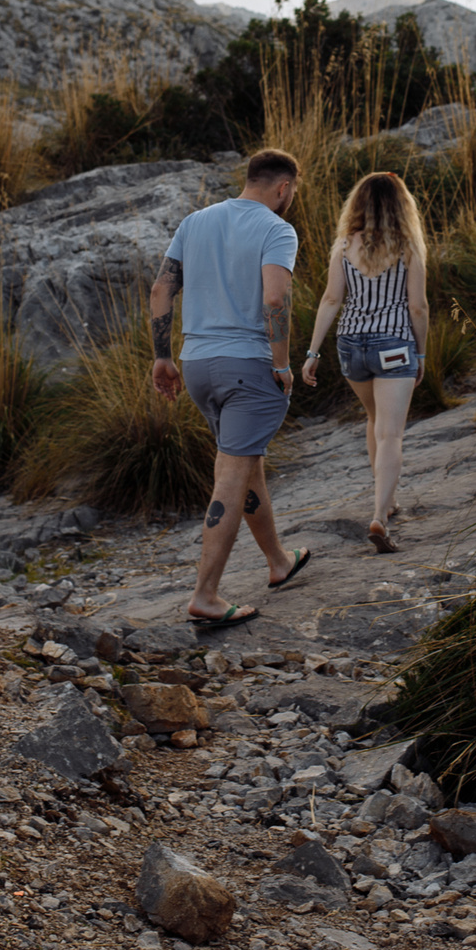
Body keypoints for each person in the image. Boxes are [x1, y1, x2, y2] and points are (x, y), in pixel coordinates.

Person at [150, 149, 312, 628]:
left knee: (246, 463)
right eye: (292, 193)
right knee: (232, 471)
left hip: (198, 366)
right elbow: (276, 297)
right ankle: (205, 595)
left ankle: (278, 561)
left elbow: (161, 290)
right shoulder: (277, 229)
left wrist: (162, 356)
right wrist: (281, 363)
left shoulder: (193, 222)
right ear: (283, 188)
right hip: (248, 369)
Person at [299, 171, 431, 553]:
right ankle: (379, 513)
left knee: (374, 421)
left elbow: (329, 300)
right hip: (394, 344)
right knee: (391, 433)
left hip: (350, 345)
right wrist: (420, 353)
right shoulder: (408, 247)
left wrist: (312, 353)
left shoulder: (343, 245)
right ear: (401, 205)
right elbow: (418, 307)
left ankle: (387, 501)